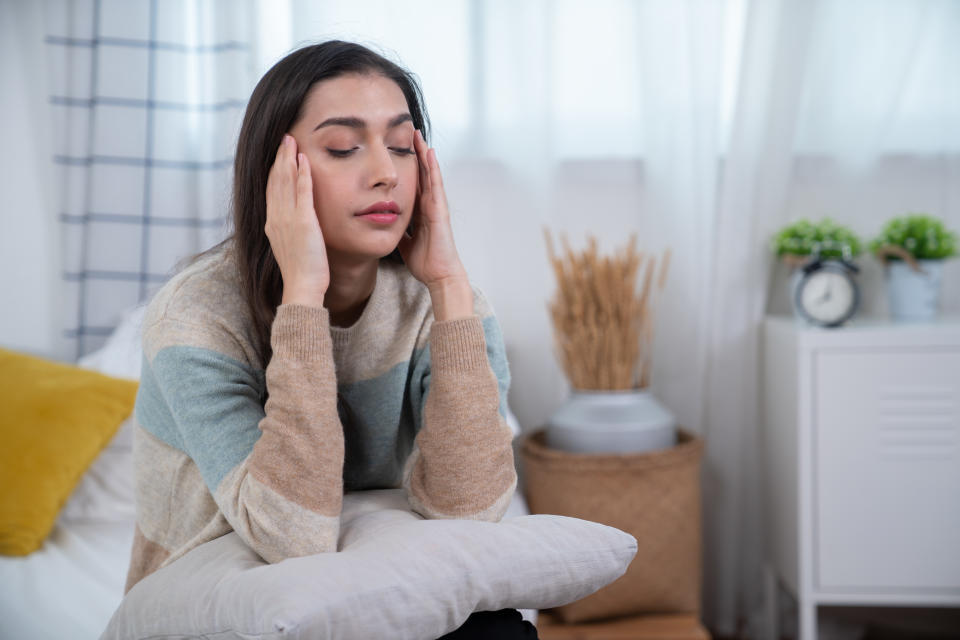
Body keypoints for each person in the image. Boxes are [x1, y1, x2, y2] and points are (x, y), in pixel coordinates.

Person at [123, 41, 537, 638]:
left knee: (495, 630)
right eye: (344, 147)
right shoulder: (194, 318)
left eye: (402, 146)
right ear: (275, 172)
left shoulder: (443, 306)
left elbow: (469, 511)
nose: (386, 173)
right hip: (210, 603)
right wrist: (304, 297)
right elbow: (294, 534)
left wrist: (448, 285)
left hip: (370, 591)